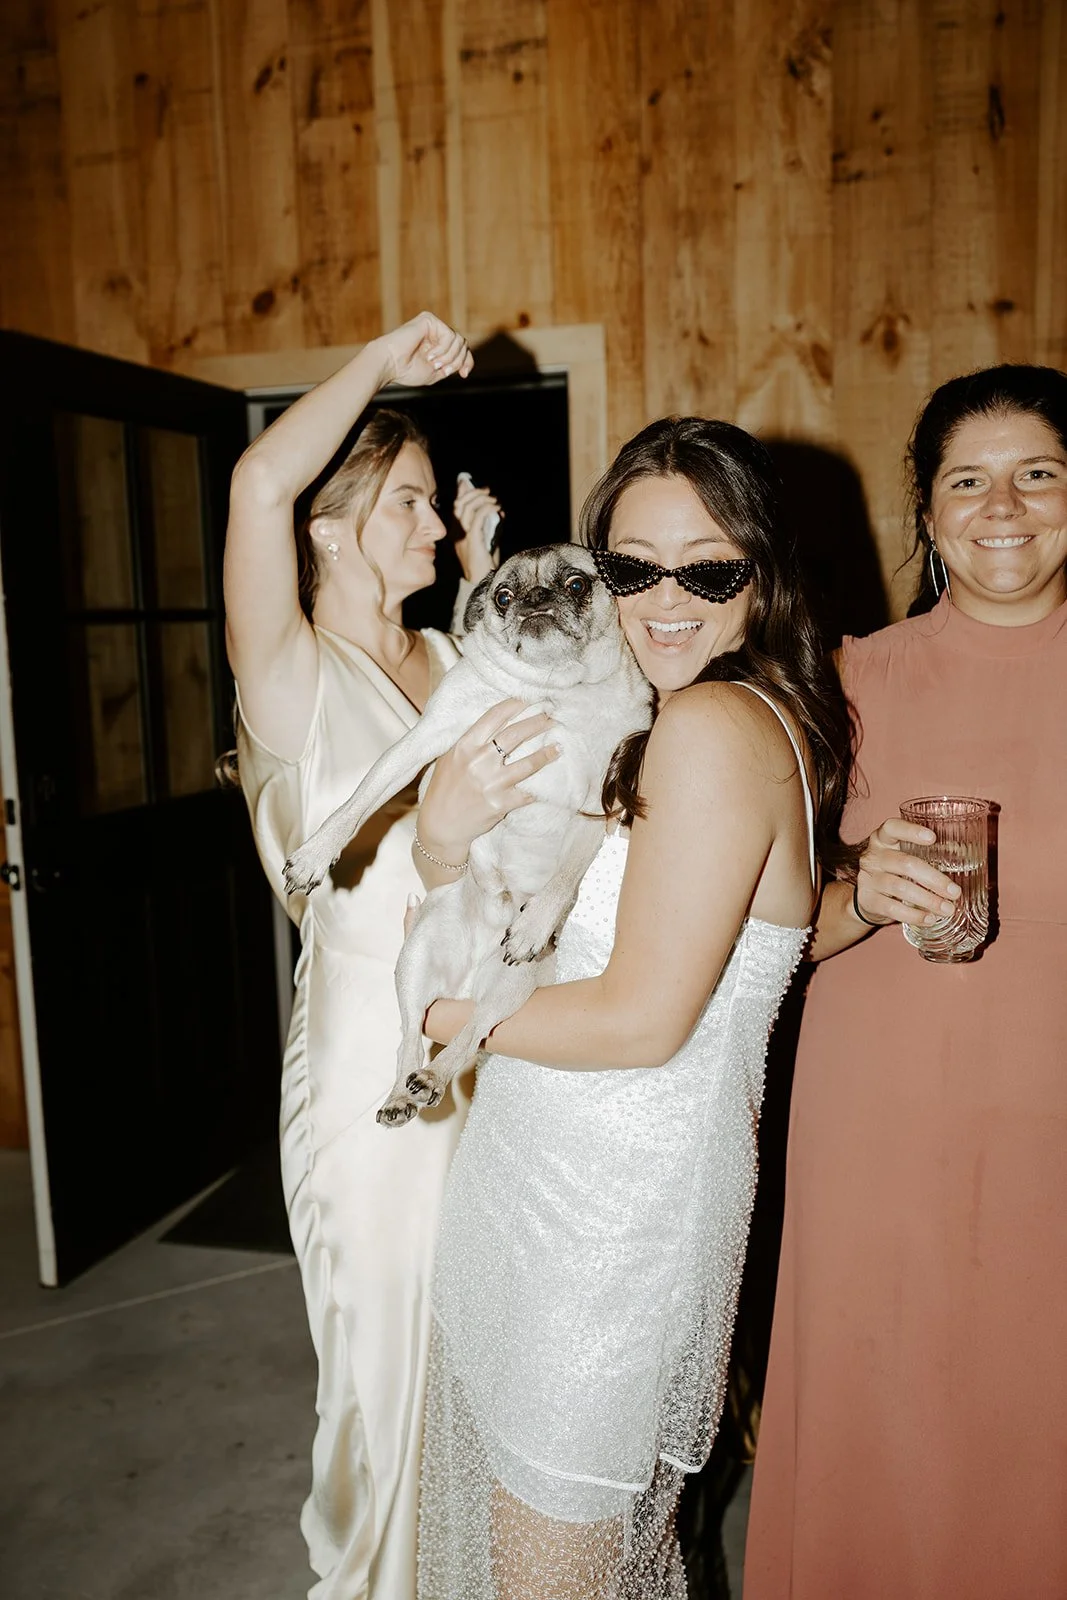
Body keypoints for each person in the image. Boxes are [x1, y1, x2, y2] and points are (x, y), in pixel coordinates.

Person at [405, 416, 851, 1599]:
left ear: (761, 574)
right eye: (629, 566)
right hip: (554, 1187)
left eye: (706, 568)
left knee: (554, 1573)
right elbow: (757, 932)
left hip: (608, 1240)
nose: (662, 598)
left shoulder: (706, 727)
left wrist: (440, 1026)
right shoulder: (684, 713)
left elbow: (644, 1020)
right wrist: (445, 842)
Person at [223, 311, 555, 1600]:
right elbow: (257, 476)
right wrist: (375, 363)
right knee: (382, 1375)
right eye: (407, 502)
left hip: (482, 1049)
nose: (429, 522)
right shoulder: (290, 675)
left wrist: (479, 577)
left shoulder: (439, 652)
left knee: (474, 1357)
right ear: (328, 525)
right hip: (371, 1073)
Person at [744, 365, 1067, 1598]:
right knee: (885, 1410)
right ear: (925, 517)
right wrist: (857, 889)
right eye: (965, 482)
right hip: (880, 1122)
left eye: (1037, 473)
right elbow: (767, 931)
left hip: (1047, 1119)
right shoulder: (847, 682)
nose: (1003, 507)